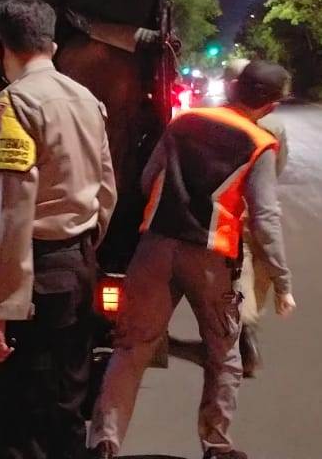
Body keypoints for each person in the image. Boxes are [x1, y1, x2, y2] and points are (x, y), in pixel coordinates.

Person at [88, 60, 297, 459]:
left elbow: (148, 178)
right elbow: (266, 219)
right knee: (224, 356)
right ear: (270, 105)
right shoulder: (259, 143)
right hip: (210, 259)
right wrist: (282, 283)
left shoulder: (184, 122)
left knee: (130, 348)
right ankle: (216, 445)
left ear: (234, 88)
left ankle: (105, 441)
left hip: (154, 249)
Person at [0, 0, 117, 459]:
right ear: (52, 45)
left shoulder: (14, 106)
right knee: (66, 401)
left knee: (24, 416)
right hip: (78, 265)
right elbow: (106, 192)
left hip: (35, 273)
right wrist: (81, 247)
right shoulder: (86, 100)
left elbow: (9, 214)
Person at [221, 59, 289, 378]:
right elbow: (277, 169)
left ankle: (243, 328)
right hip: (256, 209)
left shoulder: (212, 119)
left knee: (241, 269)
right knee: (255, 267)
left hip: (227, 210)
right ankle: (247, 326)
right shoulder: (273, 128)